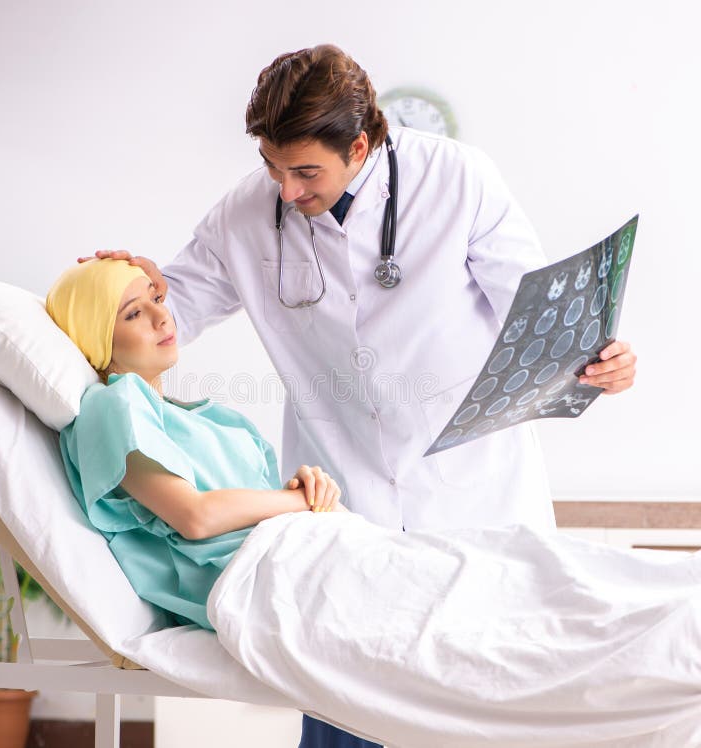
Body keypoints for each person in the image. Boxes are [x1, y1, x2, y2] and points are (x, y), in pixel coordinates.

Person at [89, 45, 637, 748]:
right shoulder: (245, 214)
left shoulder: (456, 179)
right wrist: (129, 289)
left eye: (305, 172)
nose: (286, 190)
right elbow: (171, 316)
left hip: (470, 491)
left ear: (360, 145)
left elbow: (536, 316)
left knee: (479, 706)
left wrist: (600, 361)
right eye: (272, 167)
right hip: (342, 499)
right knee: (347, 705)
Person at [46, 258, 346, 631]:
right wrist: (301, 503)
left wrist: (309, 490)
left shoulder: (206, 419)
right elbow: (196, 518)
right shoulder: (112, 406)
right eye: (134, 313)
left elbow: (255, 506)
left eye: (157, 298)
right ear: (95, 337)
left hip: (301, 551)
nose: (162, 317)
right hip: (257, 582)